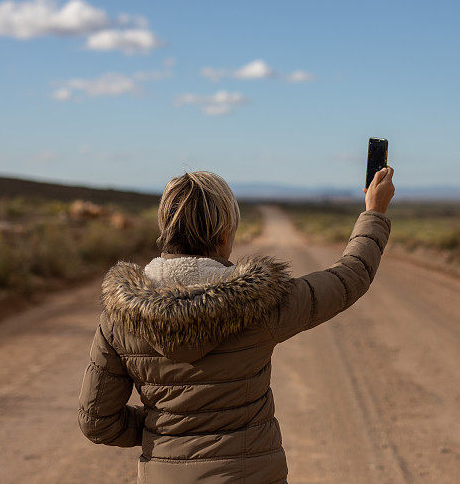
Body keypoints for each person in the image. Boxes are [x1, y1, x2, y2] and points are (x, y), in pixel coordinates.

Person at [78, 166, 395, 483]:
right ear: (223, 235)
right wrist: (374, 213)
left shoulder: (120, 315)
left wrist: (162, 428)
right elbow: (349, 276)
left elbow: (98, 422)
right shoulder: (259, 301)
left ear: (165, 228)